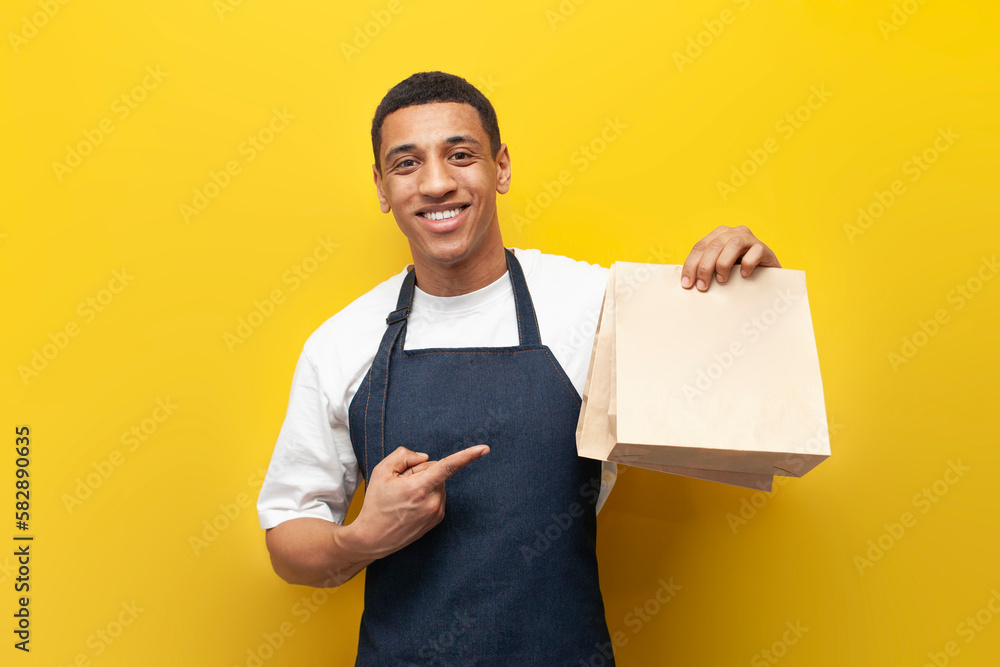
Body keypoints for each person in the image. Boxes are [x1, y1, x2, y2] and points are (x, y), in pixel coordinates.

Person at [257, 71, 780, 665]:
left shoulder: (595, 305)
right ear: (382, 186)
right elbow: (287, 540)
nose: (436, 182)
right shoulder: (341, 342)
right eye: (407, 164)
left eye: (461, 155)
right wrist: (362, 538)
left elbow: (751, 420)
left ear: (500, 167)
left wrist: (749, 287)